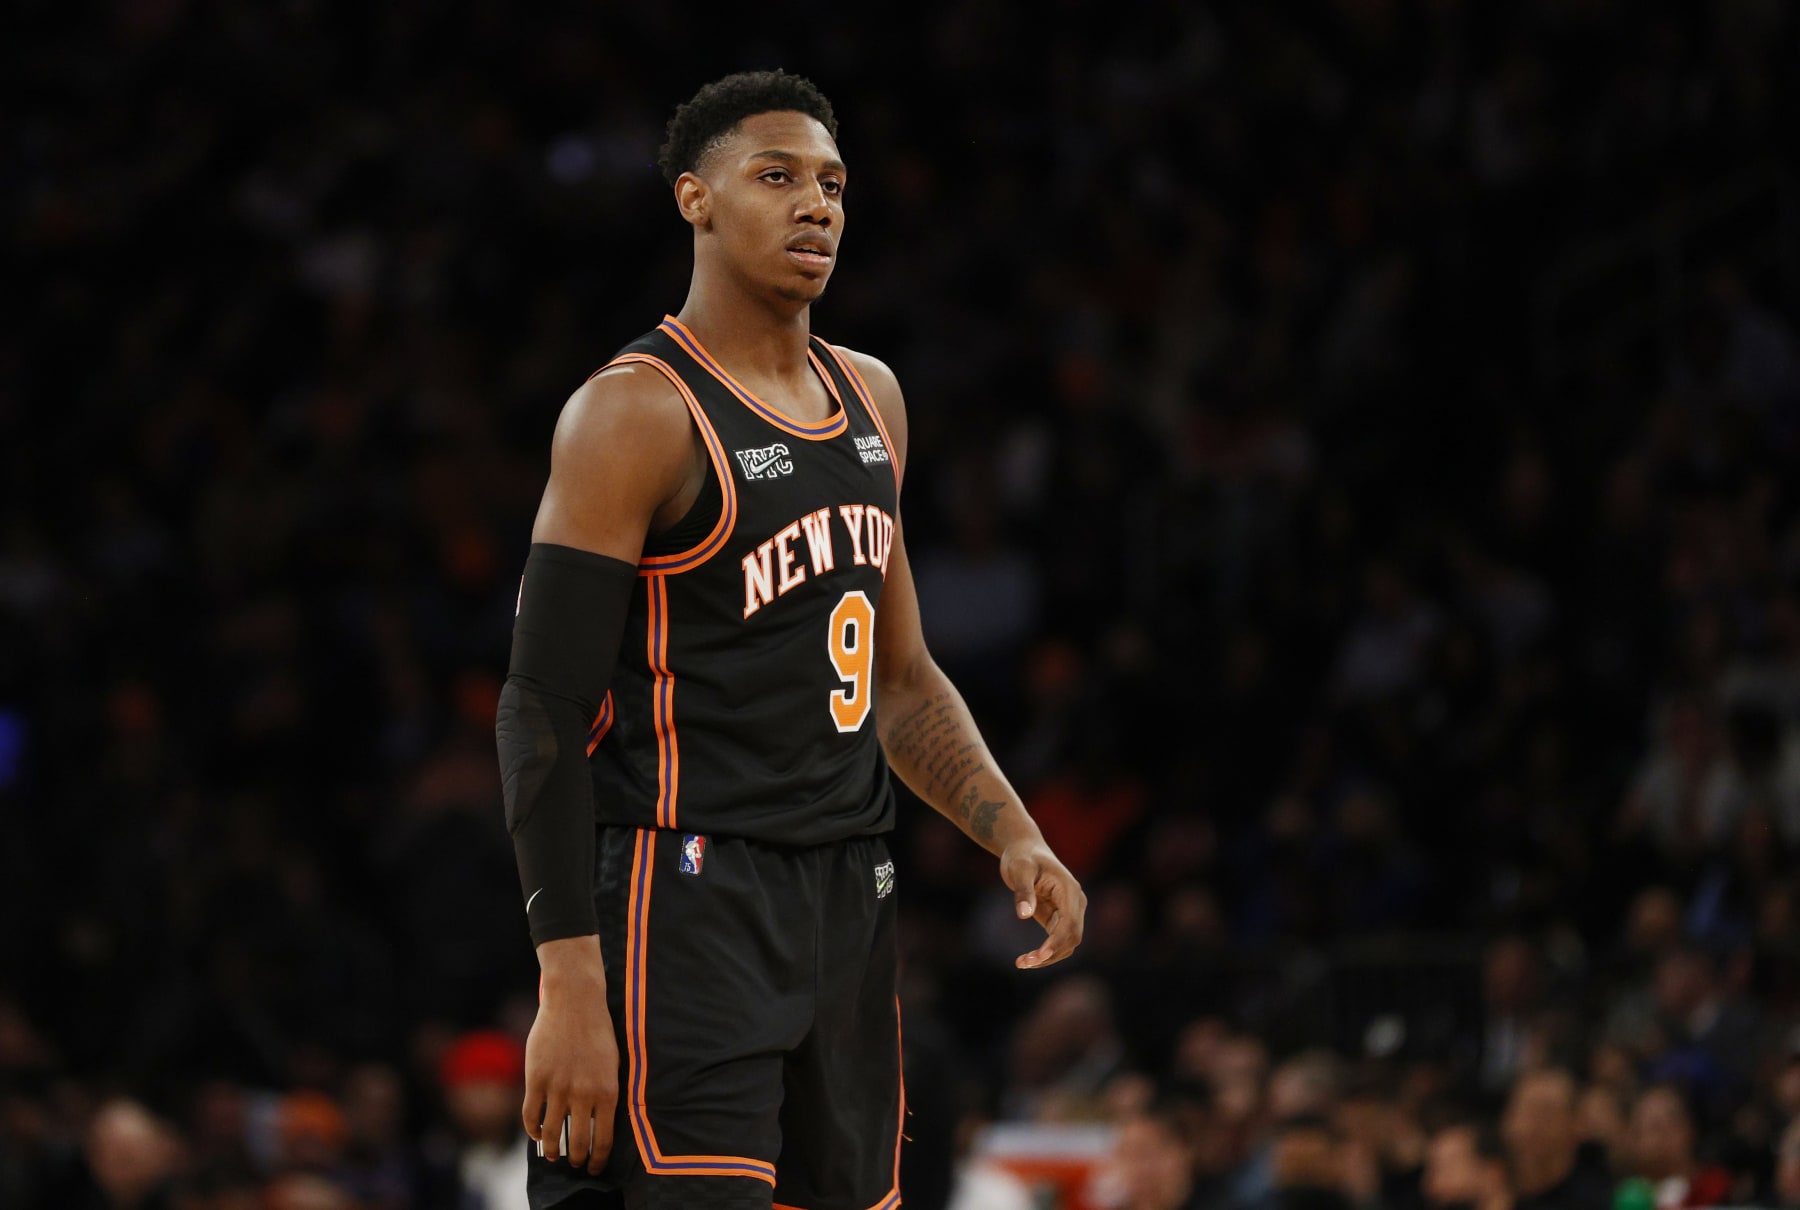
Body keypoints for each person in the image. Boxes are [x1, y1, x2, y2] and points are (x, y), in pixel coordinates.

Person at [494, 70, 1088, 1210]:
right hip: (687, 891)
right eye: (776, 178)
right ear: (694, 200)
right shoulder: (637, 411)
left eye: (832, 183)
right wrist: (567, 976)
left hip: (849, 900)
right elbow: (540, 707)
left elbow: (904, 684)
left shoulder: (874, 399)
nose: (816, 205)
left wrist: (1014, 834)